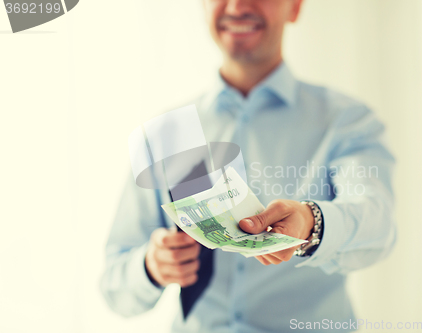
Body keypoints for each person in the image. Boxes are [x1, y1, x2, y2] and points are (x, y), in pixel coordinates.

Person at [100, 0, 397, 332]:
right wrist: (150, 267)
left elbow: (378, 224)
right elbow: (114, 285)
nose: (238, 5)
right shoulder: (168, 134)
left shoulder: (346, 122)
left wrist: (312, 223)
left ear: (295, 7)